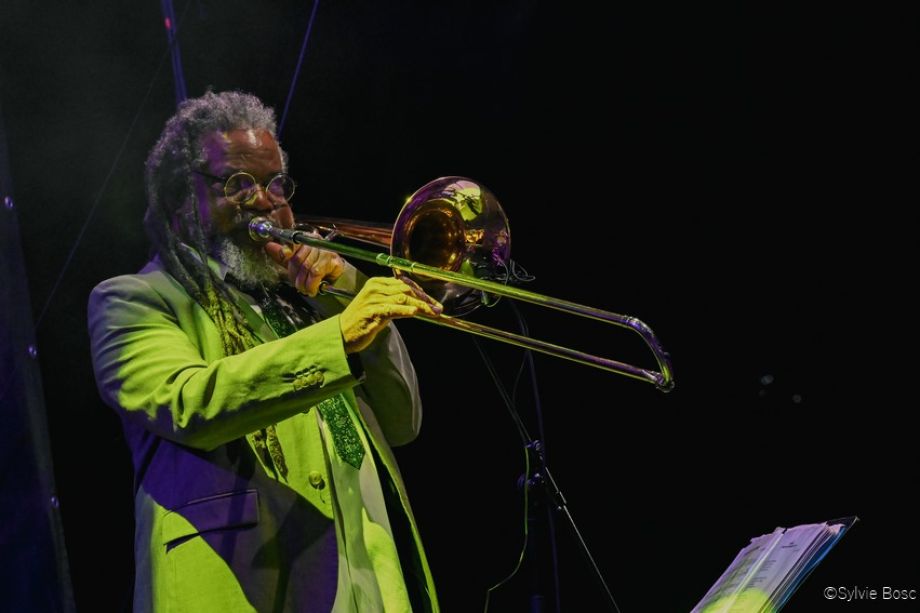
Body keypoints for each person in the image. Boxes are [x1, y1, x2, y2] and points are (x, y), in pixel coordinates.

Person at [88, 90, 441, 612]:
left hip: (375, 582)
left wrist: (346, 288)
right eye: (238, 183)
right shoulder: (133, 299)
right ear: (182, 199)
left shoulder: (306, 306)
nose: (266, 200)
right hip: (248, 589)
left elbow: (402, 421)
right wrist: (338, 337)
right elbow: (190, 403)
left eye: (275, 182)